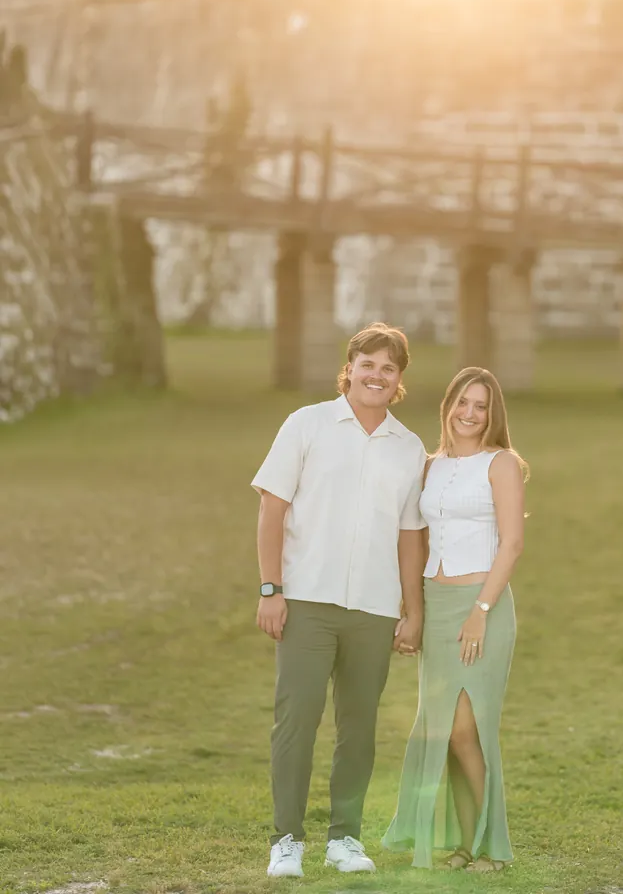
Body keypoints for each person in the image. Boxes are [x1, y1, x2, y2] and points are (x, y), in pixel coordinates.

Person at [252, 323, 427, 879]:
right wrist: (270, 589)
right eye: (367, 364)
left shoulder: (409, 447)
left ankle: (345, 839)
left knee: (359, 727)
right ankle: (286, 841)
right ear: (349, 367)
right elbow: (272, 511)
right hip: (305, 601)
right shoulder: (307, 425)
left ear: (399, 379)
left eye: (388, 368)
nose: (376, 375)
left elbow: (408, 537)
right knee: (296, 723)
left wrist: (412, 610)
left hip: (374, 610)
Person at [383, 366, 526, 871]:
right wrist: (412, 612)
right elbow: (414, 537)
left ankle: (491, 846)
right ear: (448, 406)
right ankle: (466, 845)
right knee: (444, 731)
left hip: (481, 604)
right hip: (438, 606)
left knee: (470, 728)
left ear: (493, 414)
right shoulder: (430, 466)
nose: (469, 413)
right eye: (462, 402)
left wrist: (481, 612)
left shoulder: (501, 463)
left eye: (481, 406)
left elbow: (511, 544)